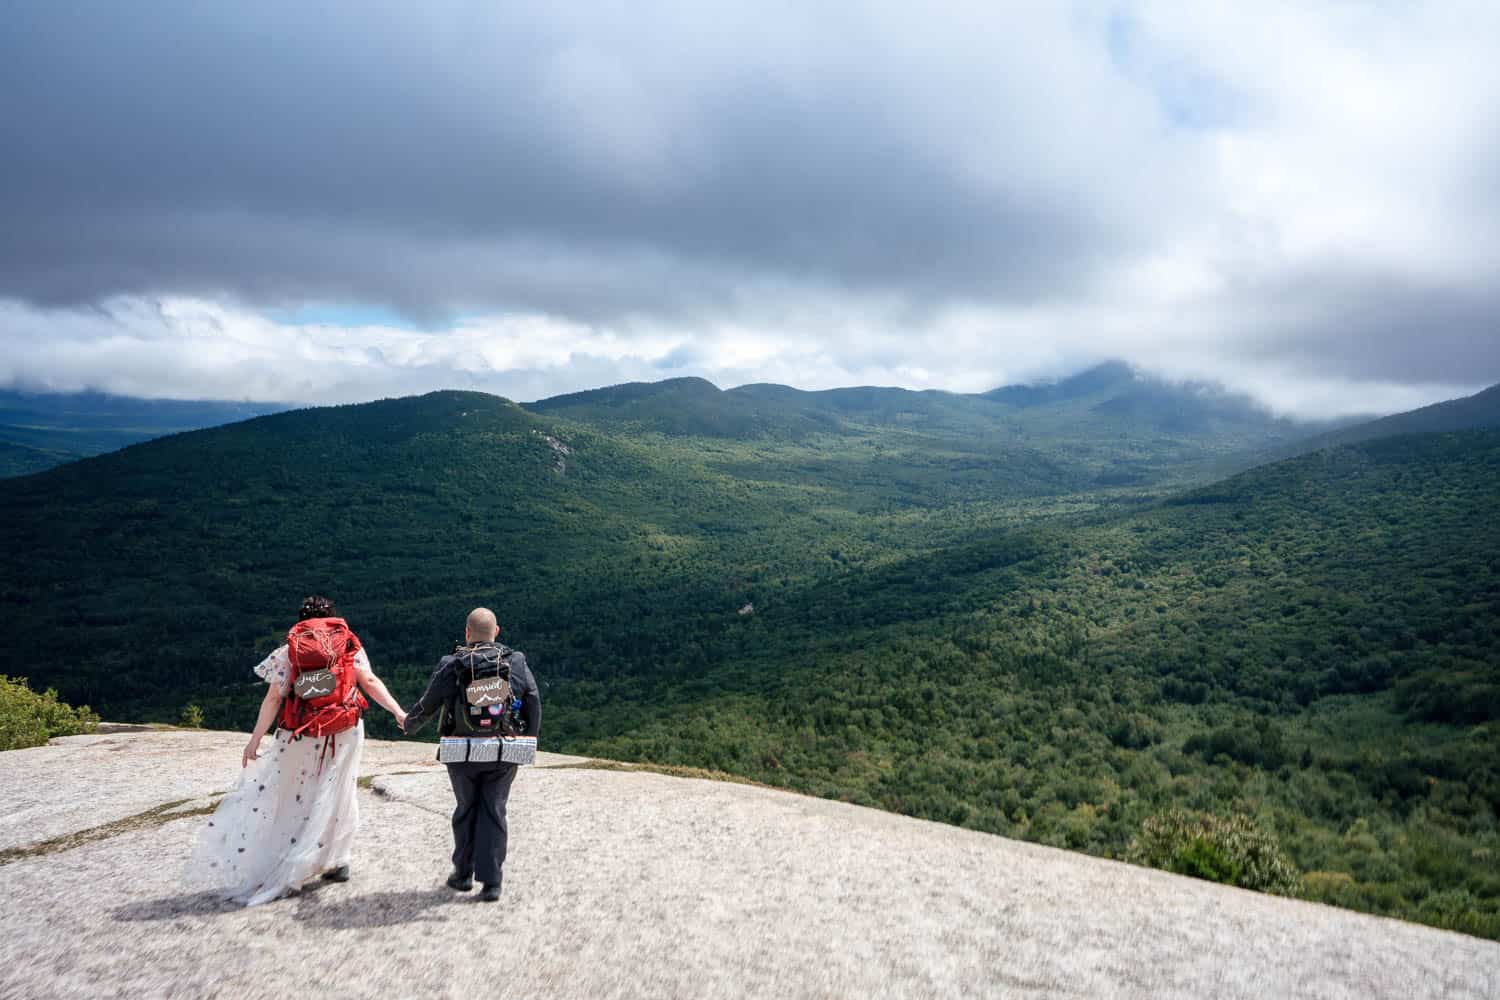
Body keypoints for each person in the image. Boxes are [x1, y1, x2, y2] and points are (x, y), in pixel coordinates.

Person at [186, 596, 406, 905]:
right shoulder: (347, 645)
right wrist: (397, 711)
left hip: (300, 733)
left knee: (293, 796)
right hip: (344, 729)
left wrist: (255, 739)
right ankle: (337, 861)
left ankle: (289, 862)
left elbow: (274, 700)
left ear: (301, 623)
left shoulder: (289, 652)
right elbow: (368, 681)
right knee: (340, 790)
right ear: (332, 620)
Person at [401, 607, 540, 902]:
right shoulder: (514, 661)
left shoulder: (452, 663)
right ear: (497, 632)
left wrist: (408, 724)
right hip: (503, 750)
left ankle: (462, 874)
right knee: (494, 808)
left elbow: (429, 702)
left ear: (467, 633)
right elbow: (533, 700)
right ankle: (492, 883)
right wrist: (529, 739)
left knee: (466, 809)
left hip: (461, 751)